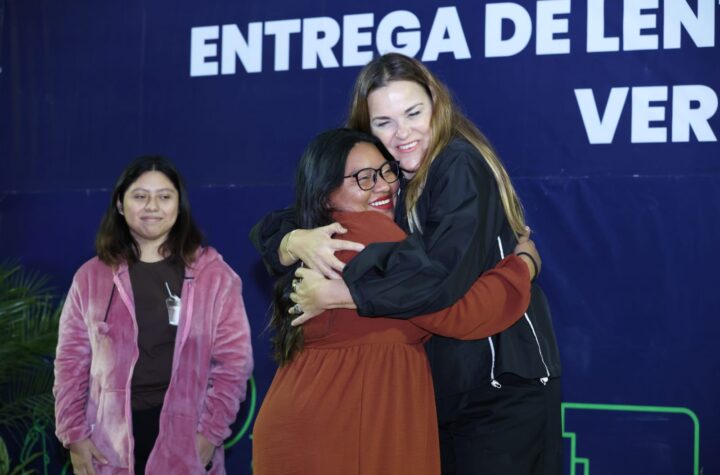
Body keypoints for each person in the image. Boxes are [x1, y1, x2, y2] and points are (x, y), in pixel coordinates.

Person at [250, 53, 561, 475]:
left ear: (437, 103)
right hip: (441, 390)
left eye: (413, 113)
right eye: (384, 122)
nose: (402, 133)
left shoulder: (456, 162)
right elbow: (295, 212)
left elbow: (440, 284)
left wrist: (344, 294)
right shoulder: (387, 185)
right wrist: (293, 240)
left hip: (498, 385)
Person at [53, 156, 253, 475]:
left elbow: (234, 363)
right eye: (140, 196)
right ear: (120, 204)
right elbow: (70, 363)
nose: (152, 206)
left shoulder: (215, 276)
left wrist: (210, 434)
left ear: (179, 205)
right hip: (108, 446)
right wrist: (73, 435)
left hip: (186, 440)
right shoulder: (91, 277)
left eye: (164, 196)